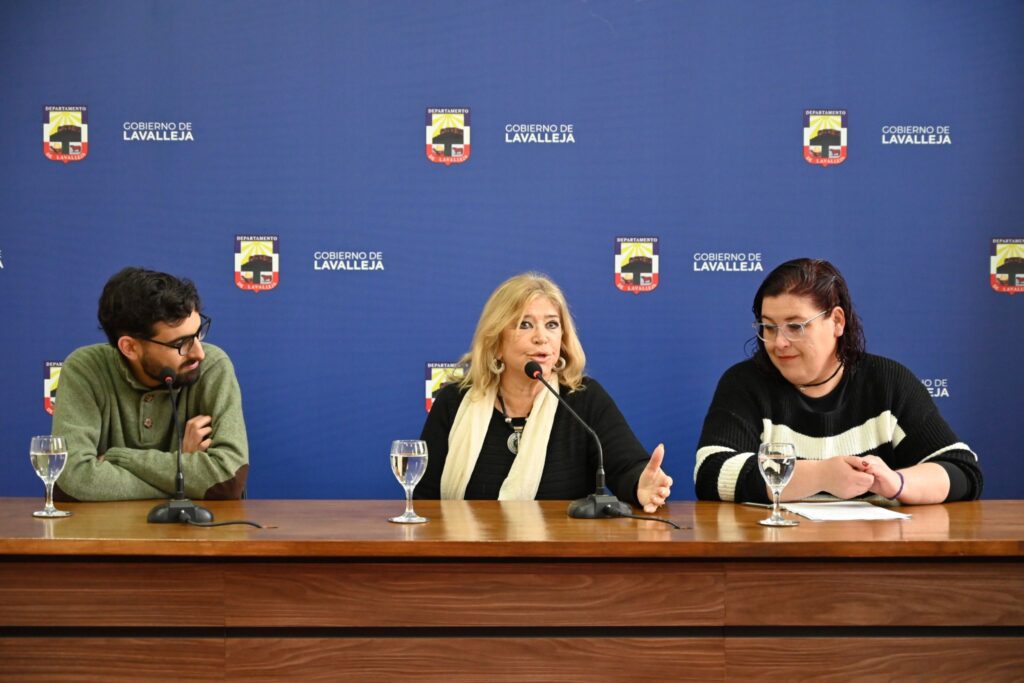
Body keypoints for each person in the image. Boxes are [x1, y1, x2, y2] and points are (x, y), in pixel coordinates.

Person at [695, 258, 982, 505]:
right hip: (775, 555)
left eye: (795, 327)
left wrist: (896, 483)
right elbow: (710, 473)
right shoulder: (744, 383)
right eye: (769, 327)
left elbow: (962, 470)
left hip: (872, 557)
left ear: (837, 321)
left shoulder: (888, 382)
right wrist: (821, 476)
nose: (779, 342)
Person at [417, 273, 672, 513]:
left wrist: (642, 484)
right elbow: (422, 500)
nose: (542, 337)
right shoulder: (454, 402)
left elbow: (627, 467)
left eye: (552, 324)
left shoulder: (583, 400)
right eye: (525, 324)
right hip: (467, 556)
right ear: (496, 344)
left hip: (560, 556)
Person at [52, 267, 249, 501]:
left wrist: (120, 458)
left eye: (198, 334)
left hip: (197, 533)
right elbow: (72, 480)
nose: (199, 352)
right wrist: (183, 470)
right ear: (130, 347)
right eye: (181, 343)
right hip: (108, 534)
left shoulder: (213, 367)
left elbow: (227, 479)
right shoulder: (85, 369)